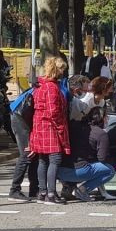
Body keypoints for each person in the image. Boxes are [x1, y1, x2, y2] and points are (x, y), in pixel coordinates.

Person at [29, 57, 71, 205]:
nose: (63, 72)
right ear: (56, 69)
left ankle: (42, 192)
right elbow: (54, 112)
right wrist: (61, 130)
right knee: (55, 159)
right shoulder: (52, 87)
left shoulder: (40, 86)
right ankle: (52, 194)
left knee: (43, 159)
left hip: (39, 125)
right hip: (50, 127)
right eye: (62, 69)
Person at [58, 107, 115, 202]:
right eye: (106, 117)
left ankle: (67, 189)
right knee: (110, 170)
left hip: (59, 170)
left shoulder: (74, 126)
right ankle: (83, 190)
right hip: (79, 172)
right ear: (102, 118)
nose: (107, 119)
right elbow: (102, 158)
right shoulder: (101, 134)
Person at [7, 84, 39, 202]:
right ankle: (14, 190)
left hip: (22, 115)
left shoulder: (47, 87)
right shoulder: (49, 89)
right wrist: (33, 140)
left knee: (34, 154)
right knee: (27, 154)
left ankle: (34, 190)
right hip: (20, 117)